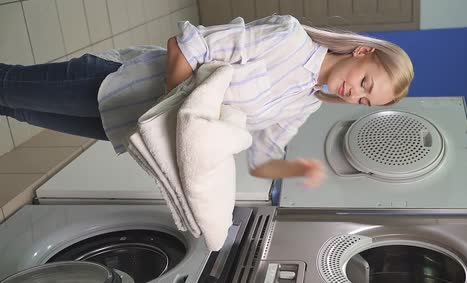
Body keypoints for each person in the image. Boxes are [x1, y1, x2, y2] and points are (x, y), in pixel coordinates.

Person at [0, 15, 413, 188]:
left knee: (13, 108)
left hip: (125, 125)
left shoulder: (306, 102)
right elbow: (184, 46)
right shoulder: (288, 38)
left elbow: (259, 159)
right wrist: (173, 121)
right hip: (116, 84)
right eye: (365, 83)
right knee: (7, 85)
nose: (354, 94)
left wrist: (296, 168)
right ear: (363, 53)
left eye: (363, 100)